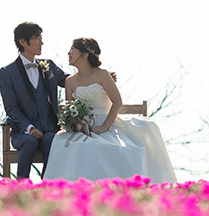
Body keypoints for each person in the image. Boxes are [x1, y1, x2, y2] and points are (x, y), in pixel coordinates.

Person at [43, 38, 176, 183]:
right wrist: (76, 124)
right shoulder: (70, 81)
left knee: (116, 148)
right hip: (84, 127)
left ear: (85, 54)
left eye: (72, 49)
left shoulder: (102, 75)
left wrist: (105, 125)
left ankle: (115, 185)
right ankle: (72, 186)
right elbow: (71, 108)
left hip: (107, 123)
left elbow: (117, 102)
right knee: (67, 143)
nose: (68, 53)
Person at [0, 22, 69, 180]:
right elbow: (11, 108)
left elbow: (69, 81)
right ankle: (21, 186)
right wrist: (29, 128)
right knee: (29, 142)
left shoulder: (48, 66)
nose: (41, 43)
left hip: (49, 129)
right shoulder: (7, 72)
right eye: (37, 38)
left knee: (51, 139)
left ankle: (46, 185)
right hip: (22, 133)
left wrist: (99, 77)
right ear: (23, 42)